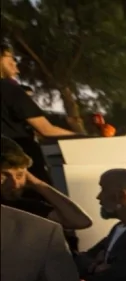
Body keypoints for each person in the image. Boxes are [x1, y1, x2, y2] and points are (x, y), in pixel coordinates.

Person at [1, 43, 79, 182]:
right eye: (10, 58)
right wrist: (88, 138)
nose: (14, 64)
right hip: (20, 167)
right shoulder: (10, 90)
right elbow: (46, 130)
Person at [0, 136, 92, 229]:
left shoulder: (19, 207)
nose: (15, 184)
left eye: (19, 175)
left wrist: (38, 183)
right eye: (3, 176)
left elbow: (81, 221)